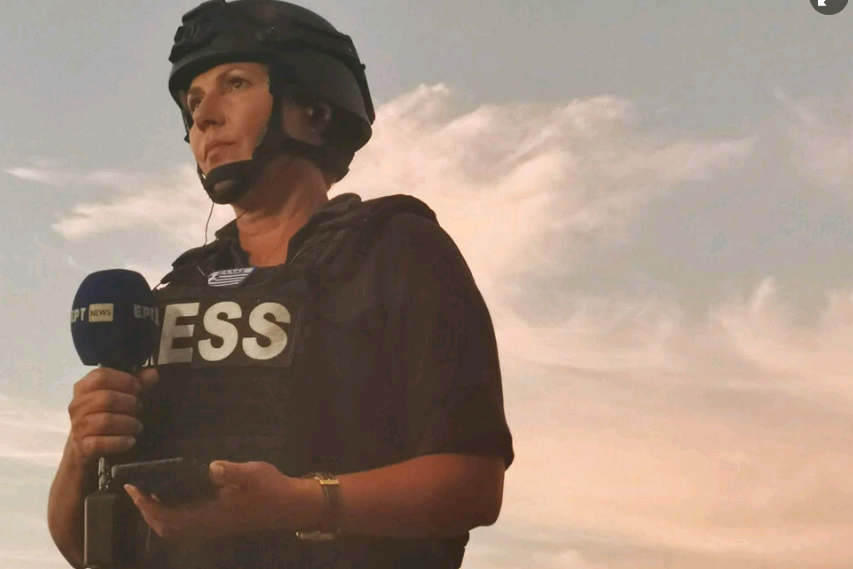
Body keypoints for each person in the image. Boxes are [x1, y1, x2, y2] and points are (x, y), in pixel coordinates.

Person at [47, 1, 514, 567]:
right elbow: (84, 549)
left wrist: (294, 504)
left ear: (314, 110)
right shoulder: (175, 291)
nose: (204, 118)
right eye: (193, 102)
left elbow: (473, 484)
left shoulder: (396, 251)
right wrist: (83, 447)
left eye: (235, 84)